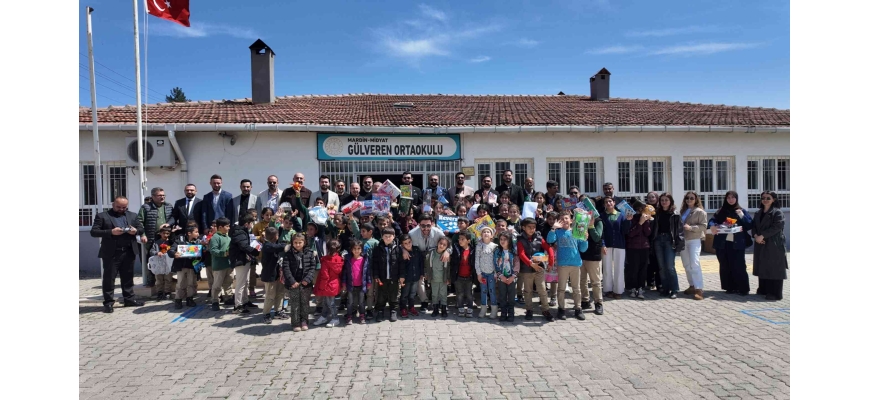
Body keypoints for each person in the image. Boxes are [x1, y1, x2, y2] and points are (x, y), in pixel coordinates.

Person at [90, 196, 146, 313]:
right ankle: (109, 303)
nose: (121, 209)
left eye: (124, 207)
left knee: (128, 277)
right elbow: (94, 232)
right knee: (109, 279)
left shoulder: (132, 215)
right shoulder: (102, 216)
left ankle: (129, 299)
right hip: (111, 253)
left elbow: (141, 228)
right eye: (118, 207)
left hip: (128, 251)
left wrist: (135, 231)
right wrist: (111, 232)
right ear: (113, 204)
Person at [546, 211, 590, 320]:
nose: (564, 221)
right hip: (562, 264)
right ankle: (561, 309)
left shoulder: (576, 232)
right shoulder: (558, 232)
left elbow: (583, 249)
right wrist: (553, 228)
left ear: (571, 220)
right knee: (561, 288)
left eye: (566, 218)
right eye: (561, 219)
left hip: (575, 263)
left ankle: (578, 309)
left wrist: (585, 239)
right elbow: (549, 240)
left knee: (576, 288)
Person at [709, 191, 753, 296]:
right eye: (728, 198)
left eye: (733, 197)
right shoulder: (721, 210)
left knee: (739, 265)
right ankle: (729, 287)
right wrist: (713, 225)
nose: (731, 200)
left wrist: (742, 216)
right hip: (722, 243)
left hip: (737, 243)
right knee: (725, 265)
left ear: (736, 199)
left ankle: (743, 288)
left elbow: (750, 225)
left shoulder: (741, 211)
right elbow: (712, 220)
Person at [516, 218, 555, 322]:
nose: (532, 229)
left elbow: (549, 248)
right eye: (529, 227)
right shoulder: (520, 239)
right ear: (523, 227)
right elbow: (521, 253)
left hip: (539, 268)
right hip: (526, 269)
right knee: (528, 291)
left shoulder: (539, 237)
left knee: (542, 289)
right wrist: (530, 264)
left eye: (534, 227)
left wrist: (551, 262)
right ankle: (529, 310)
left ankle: (545, 310)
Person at [752, 191, 788, 301]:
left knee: (774, 268)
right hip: (760, 243)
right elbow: (753, 226)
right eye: (763, 198)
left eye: (768, 198)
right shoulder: (758, 213)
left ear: (774, 200)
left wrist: (762, 236)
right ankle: (763, 289)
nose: (765, 200)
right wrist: (756, 235)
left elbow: (777, 227)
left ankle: (775, 293)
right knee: (763, 265)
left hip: (774, 243)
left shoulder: (777, 213)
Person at [138, 187, 176, 289]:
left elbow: (173, 218)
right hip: (151, 237)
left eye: (163, 195)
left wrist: (168, 224)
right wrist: (142, 234)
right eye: (160, 195)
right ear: (153, 196)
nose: (162, 197)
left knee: (167, 257)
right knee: (151, 258)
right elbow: (139, 222)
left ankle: (168, 279)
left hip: (166, 237)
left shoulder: (168, 206)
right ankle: (151, 280)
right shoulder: (145, 207)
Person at [282, 233, 317, 332]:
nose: (297, 245)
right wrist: (292, 281)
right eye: (295, 242)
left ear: (304, 242)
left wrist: (307, 280)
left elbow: (312, 268)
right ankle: (295, 323)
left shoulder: (310, 253)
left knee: (305, 303)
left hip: (306, 284)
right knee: (295, 304)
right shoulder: (288, 254)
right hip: (293, 283)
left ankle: (304, 321)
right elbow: (286, 268)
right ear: (292, 243)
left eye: (300, 242)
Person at [653, 193, 685, 299]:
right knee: (661, 267)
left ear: (670, 201)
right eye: (662, 200)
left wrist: (679, 245)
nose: (664, 202)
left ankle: (674, 289)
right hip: (658, 240)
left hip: (669, 241)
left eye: (666, 200)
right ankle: (666, 288)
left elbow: (680, 231)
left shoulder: (675, 214)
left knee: (670, 267)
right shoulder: (657, 213)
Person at [229, 215, 261, 313]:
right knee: (240, 283)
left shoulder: (243, 231)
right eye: (251, 223)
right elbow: (244, 246)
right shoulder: (239, 232)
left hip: (245, 260)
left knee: (245, 282)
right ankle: (238, 305)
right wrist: (254, 251)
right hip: (240, 260)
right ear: (246, 223)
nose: (252, 225)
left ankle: (245, 301)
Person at [579, 195, 605, 315]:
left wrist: (591, 226)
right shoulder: (579, 219)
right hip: (580, 254)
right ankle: (585, 300)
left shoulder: (599, 221)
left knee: (595, 281)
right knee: (582, 280)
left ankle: (598, 303)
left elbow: (597, 237)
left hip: (593, 254)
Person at [680, 191, 708, 300]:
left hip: (694, 240)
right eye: (687, 198)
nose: (689, 200)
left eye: (692, 198)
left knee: (694, 263)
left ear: (696, 199)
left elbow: (704, 226)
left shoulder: (700, 212)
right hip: (683, 240)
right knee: (686, 264)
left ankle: (699, 289)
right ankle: (692, 285)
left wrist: (691, 228)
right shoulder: (683, 211)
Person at [601, 197, 630, 299]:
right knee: (607, 268)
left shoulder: (621, 215)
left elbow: (625, 231)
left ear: (614, 203)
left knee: (619, 268)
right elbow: (601, 232)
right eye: (606, 202)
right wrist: (603, 244)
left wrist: (628, 221)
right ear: (604, 204)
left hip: (620, 245)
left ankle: (618, 290)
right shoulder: (602, 216)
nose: (608, 203)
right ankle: (608, 289)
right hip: (607, 245)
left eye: (610, 201)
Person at [168, 224, 201, 309]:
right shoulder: (179, 240)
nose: (198, 234)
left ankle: (190, 299)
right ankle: (178, 300)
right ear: (189, 233)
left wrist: (202, 249)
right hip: (181, 266)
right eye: (196, 232)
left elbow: (201, 254)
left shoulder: (198, 241)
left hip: (192, 266)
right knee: (181, 283)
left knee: (192, 283)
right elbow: (171, 250)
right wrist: (174, 254)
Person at [624, 203, 653, 300]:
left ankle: (641, 288)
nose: (639, 211)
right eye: (637, 209)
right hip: (632, 247)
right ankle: (633, 288)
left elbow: (648, 233)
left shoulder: (646, 219)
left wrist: (645, 222)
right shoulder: (631, 219)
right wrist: (640, 223)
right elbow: (630, 233)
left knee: (643, 268)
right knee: (633, 268)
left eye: (641, 209)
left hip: (644, 247)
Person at [259, 227, 287, 324]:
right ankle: (266, 314)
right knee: (270, 296)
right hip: (269, 275)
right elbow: (278, 247)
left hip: (277, 274)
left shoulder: (274, 243)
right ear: (275, 236)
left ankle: (278, 311)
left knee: (280, 293)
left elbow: (279, 245)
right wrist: (286, 245)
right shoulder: (267, 246)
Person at [313, 239, 343, 328]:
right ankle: (324, 316)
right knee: (327, 302)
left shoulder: (325, 260)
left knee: (331, 303)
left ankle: (335, 318)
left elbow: (324, 275)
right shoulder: (339, 259)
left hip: (327, 284)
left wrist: (321, 287)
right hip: (335, 283)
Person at [373, 228, 400, 322]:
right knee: (381, 295)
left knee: (394, 295)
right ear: (382, 237)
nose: (388, 238)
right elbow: (375, 263)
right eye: (385, 236)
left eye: (390, 236)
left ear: (394, 237)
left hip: (394, 277)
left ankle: (393, 310)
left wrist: (401, 275)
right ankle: (380, 311)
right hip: (382, 277)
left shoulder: (398, 248)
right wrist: (376, 275)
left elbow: (401, 263)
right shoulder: (378, 248)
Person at [341, 240, 371, 325]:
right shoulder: (348, 259)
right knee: (350, 302)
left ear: (362, 250)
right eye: (354, 248)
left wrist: (368, 283)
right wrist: (343, 284)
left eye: (359, 248)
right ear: (351, 249)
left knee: (361, 302)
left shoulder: (365, 259)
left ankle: (362, 315)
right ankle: (349, 316)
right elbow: (345, 273)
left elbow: (367, 272)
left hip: (362, 285)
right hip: (350, 285)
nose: (356, 250)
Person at [208, 217, 233, 311]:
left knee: (228, 282)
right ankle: (215, 300)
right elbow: (213, 250)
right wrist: (224, 253)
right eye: (227, 226)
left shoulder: (227, 236)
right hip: (219, 266)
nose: (229, 228)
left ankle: (228, 298)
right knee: (217, 285)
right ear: (220, 227)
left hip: (228, 265)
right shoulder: (215, 237)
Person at [397, 234, 424, 318]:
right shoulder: (401, 253)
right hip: (406, 278)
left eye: (409, 242)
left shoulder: (416, 250)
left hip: (416, 277)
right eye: (406, 243)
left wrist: (422, 273)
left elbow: (421, 262)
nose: (408, 244)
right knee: (404, 294)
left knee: (412, 294)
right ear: (402, 245)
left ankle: (411, 307)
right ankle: (403, 308)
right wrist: (401, 277)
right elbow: (401, 266)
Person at [494, 231, 519, 322]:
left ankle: (511, 313)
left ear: (510, 241)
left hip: (512, 278)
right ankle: (503, 313)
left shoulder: (514, 251)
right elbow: (496, 264)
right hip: (502, 278)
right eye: (501, 239)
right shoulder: (497, 251)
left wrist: (513, 276)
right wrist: (500, 276)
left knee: (511, 296)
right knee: (502, 296)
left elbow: (517, 264)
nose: (502, 241)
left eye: (505, 239)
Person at [450, 231, 476, 318]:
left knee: (469, 294)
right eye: (459, 239)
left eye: (462, 239)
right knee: (459, 294)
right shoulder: (456, 248)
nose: (460, 241)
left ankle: (470, 309)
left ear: (468, 241)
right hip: (458, 276)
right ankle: (460, 308)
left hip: (469, 277)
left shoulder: (473, 250)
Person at [475, 227, 498, 319]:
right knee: (483, 291)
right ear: (481, 235)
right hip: (483, 273)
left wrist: (496, 273)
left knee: (492, 291)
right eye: (484, 232)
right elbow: (477, 260)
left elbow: (496, 261)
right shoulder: (479, 246)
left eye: (488, 232)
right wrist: (479, 273)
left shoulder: (495, 246)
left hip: (492, 273)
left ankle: (494, 309)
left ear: (492, 235)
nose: (486, 233)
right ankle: (483, 309)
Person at [425, 237, 451, 318]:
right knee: (434, 294)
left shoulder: (446, 256)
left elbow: (448, 268)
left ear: (447, 247)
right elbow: (427, 265)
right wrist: (426, 274)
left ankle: (443, 309)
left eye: (444, 245)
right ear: (437, 243)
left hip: (443, 278)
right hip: (434, 278)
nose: (442, 246)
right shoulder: (431, 253)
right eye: (441, 243)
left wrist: (448, 278)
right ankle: (435, 309)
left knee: (443, 294)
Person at [148, 227, 175, 300]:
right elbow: (151, 251)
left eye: (167, 233)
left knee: (168, 278)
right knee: (159, 279)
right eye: (164, 233)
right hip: (158, 264)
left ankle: (167, 292)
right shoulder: (156, 243)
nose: (165, 235)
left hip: (168, 264)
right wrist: (157, 253)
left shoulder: (171, 242)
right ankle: (159, 292)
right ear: (160, 234)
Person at [644, 191, 661, 291]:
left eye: (653, 197)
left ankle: (659, 283)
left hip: (658, 238)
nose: (651, 199)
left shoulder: (660, 209)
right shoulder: (646, 209)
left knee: (658, 262)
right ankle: (650, 282)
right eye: (649, 197)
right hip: (648, 238)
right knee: (649, 262)